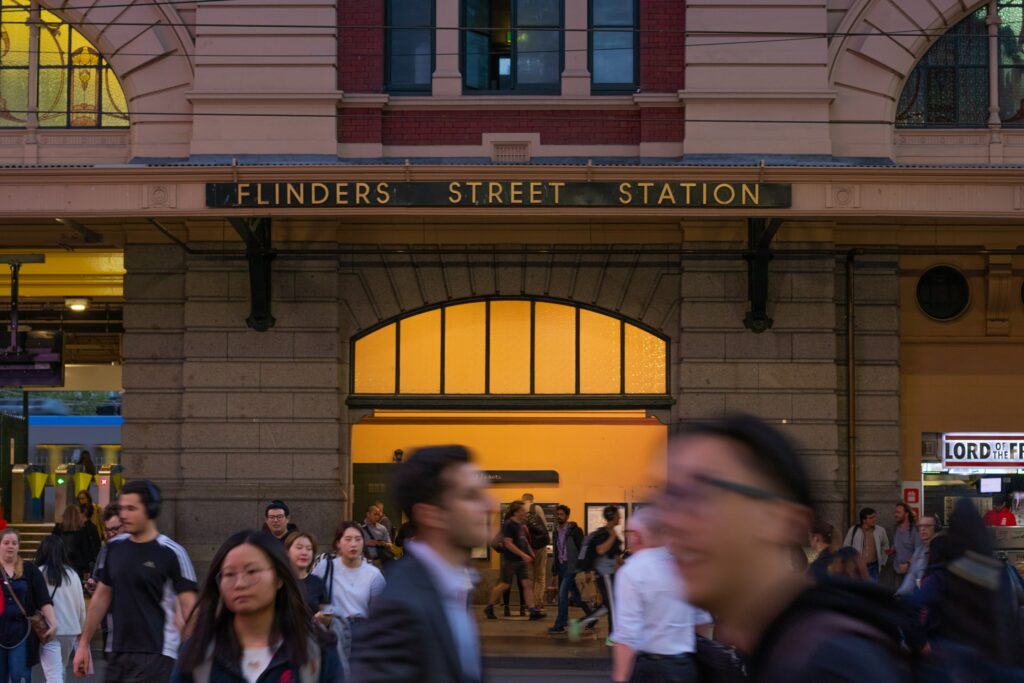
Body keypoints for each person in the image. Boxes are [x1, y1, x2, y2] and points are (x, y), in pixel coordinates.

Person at [656, 414, 915, 682]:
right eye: (669, 498)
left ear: (780, 519)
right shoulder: (778, 649)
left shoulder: (829, 664)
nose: (671, 520)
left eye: (697, 494)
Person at [350, 445, 490, 683]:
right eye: (470, 496)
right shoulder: (400, 608)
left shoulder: (451, 588)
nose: (490, 505)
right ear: (430, 514)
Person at [172, 530, 341, 683]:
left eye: (252, 572)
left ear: (279, 578)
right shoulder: (198, 653)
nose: (240, 583)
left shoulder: (317, 650)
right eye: (229, 574)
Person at [73, 480, 198, 682]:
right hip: (117, 652)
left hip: (156, 654)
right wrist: (83, 644)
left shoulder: (171, 552)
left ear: (150, 510)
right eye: (122, 508)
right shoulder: (113, 549)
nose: (124, 514)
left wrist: (187, 652)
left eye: (131, 508)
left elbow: (191, 609)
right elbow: (100, 599)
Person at [610, 508, 712, 683]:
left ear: (636, 536)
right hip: (685, 666)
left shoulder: (633, 571)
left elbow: (626, 635)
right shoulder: (684, 566)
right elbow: (702, 621)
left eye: (628, 533)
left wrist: (620, 676)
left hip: (650, 668)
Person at [311, 520, 385, 669]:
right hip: (332, 629)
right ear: (338, 543)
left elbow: (378, 614)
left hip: (361, 632)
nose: (354, 544)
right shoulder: (325, 567)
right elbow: (311, 596)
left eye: (358, 539)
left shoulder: (373, 574)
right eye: (348, 539)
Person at [0, 529, 57, 682]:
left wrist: (53, 622)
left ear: (19, 546)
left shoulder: (30, 570)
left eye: (14, 543)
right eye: (6, 543)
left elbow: (43, 598)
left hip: (21, 633)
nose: (10, 546)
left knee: (21, 678)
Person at [36, 535, 86, 683]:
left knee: (53, 674)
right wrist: (81, 630)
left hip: (48, 630)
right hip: (70, 629)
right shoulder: (73, 575)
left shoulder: (39, 572)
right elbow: (81, 606)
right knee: (60, 668)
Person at [484, 500, 544, 621]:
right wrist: (523, 554)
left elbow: (523, 539)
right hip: (510, 561)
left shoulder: (520, 524)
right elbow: (508, 543)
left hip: (520, 561)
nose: (524, 512)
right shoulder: (509, 524)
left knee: (526, 584)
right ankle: (489, 606)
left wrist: (530, 552)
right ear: (516, 512)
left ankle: (532, 611)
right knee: (504, 585)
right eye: (522, 510)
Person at [573, 505, 623, 636]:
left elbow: (616, 556)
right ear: (612, 516)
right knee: (612, 606)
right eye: (618, 515)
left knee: (608, 605)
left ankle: (580, 624)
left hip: (611, 574)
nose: (620, 517)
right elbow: (600, 550)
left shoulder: (613, 533)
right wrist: (612, 536)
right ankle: (613, 636)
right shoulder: (603, 533)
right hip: (604, 574)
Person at [548, 504, 590, 635]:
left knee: (562, 595)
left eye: (561, 514)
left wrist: (586, 568)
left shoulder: (575, 531)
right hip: (561, 566)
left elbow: (583, 550)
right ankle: (591, 616)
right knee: (576, 597)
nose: (559, 517)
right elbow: (556, 551)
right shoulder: (555, 531)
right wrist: (554, 570)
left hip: (571, 567)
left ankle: (559, 624)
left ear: (567, 516)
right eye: (557, 514)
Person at [284, 531, 328, 620]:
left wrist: (323, 618)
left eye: (309, 549)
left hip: (311, 632)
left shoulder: (317, 582)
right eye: (299, 548)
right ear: (287, 552)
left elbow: (326, 614)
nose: (304, 552)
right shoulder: (279, 581)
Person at [896, 514, 940, 597]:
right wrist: (900, 594)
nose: (922, 529)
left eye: (927, 526)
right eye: (920, 526)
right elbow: (912, 575)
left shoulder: (942, 548)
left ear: (936, 528)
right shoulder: (919, 550)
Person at [842, 507, 890, 582]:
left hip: (873, 567)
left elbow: (885, 545)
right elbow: (846, 547)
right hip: (857, 567)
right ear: (864, 520)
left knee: (871, 591)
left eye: (874, 517)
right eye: (871, 518)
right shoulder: (854, 530)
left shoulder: (880, 530)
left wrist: (883, 561)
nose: (874, 519)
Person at [52, 505, 99, 580]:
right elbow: (85, 551)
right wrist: (86, 569)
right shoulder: (82, 531)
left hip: (60, 566)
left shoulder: (57, 530)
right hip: (77, 568)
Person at [521, 493, 550, 607]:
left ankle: (528, 602)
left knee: (529, 575)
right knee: (540, 575)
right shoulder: (536, 508)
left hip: (525, 547)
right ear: (532, 499)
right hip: (538, 546)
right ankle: (537, 601)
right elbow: (544, 527)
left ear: (523, 499)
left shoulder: (518, 510)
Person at [892, 503, 922, 588]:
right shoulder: (896, 528)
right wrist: (893, 549)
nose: (895, 515)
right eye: (895, 512)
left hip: (911, 572)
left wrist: (908, 564)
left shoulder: (915, 530)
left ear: (906, 514)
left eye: (898, 512)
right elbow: (898, 545)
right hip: (897, 570)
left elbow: (919, 551)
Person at [361, 505, 396, 571]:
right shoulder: (360, 528)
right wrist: (366, 543)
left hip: (379, 562)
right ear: (368, 514)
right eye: (375, 514)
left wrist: (382, 543)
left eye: (378, 515)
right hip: (364, 562)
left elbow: (390, 545)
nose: (377, 517)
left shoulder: (382, 528)